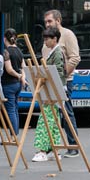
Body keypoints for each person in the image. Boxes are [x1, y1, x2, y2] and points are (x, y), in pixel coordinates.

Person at [43, 9, 80, 157]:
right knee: (52, 114)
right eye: (45, 22)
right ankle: (52, 145)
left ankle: (73, 145)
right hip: (50, 81)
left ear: (58, 21)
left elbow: (75, 57)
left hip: (63, 81)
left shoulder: (68, 35)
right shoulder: (48, 37)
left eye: (50, 21)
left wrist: (63, 75)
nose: (47, 24)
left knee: (66, 113)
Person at [32, 26, 65, 162]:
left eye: (47, 39)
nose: (45, 42)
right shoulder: (54, 51)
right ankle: (54, 149)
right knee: (54, 121)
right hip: (54, 91)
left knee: (45, 121)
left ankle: (43, 151)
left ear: (55, 39)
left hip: (53, 91)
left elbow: (58, 71)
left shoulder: (57, 52)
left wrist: (44, 74)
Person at [1, 29, 29, 137]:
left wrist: (18, 76)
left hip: (8, 84)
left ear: (5, 39)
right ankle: (15, 133)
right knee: (15, 108)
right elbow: (24, 67)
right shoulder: (19, 51)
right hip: (17, 84)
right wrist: (22, 78)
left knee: (11, 110)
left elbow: (9, 69)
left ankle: (13, 135)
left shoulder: (6, 52)